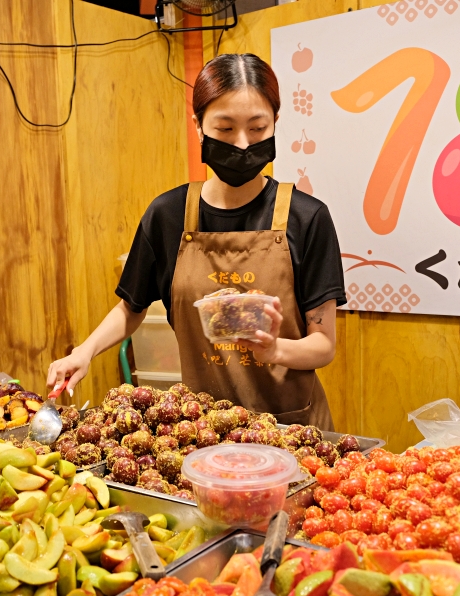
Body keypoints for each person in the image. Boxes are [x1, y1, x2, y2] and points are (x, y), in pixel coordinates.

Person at [48, 53, 345, 429]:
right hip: (204, 430)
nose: (242, 144)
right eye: (225, 129)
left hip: (290, 429)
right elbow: (131, 307)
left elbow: (323, 345)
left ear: (275, 124)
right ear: (198, 126)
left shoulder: (308, 218)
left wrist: (276, 349)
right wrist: (84, 352)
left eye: (257, 129)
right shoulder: (168, 215)